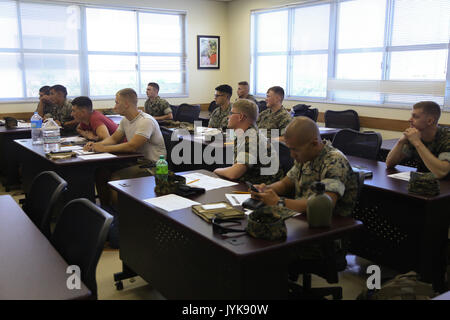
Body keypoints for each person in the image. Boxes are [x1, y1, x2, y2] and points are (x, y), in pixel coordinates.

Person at [250, 116, 358, 217]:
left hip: (330, 225)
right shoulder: (305, 156)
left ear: (314, 143)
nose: (292, 155)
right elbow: (285, 184)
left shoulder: (335, 161)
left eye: (295, 150)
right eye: (290, 149)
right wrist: (265, 190)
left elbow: (323, 206)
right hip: (302, 217)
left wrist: (278, 202)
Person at [84, 88, 167, 208]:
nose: (114, 106)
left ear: (127, 104)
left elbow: (132, 146)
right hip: (136, 161)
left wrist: (103, 149)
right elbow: (113, 139)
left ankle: (120, 217)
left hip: (153, 165)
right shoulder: (125, 120)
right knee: (101, 171)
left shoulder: (146, 121)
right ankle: (106, 209)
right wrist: (96, 145)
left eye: (117, 102)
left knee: (116, 178)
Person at [213, 99, 283, 184]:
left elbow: (234, 173)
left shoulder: (251, 138)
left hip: (262, 189)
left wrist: (216, 170)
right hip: (248, 184)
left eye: (231, 113)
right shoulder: (244, 134)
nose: (228, 117)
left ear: (241, 117)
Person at [386, 101, 450, 179]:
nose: (409, 120)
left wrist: (417, 143)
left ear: (430, 121)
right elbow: (389, 163)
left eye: (415, 116)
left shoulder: (446, 137)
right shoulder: (415, 135)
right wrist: (401, 141)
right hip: (424, 184)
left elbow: (442, 172)